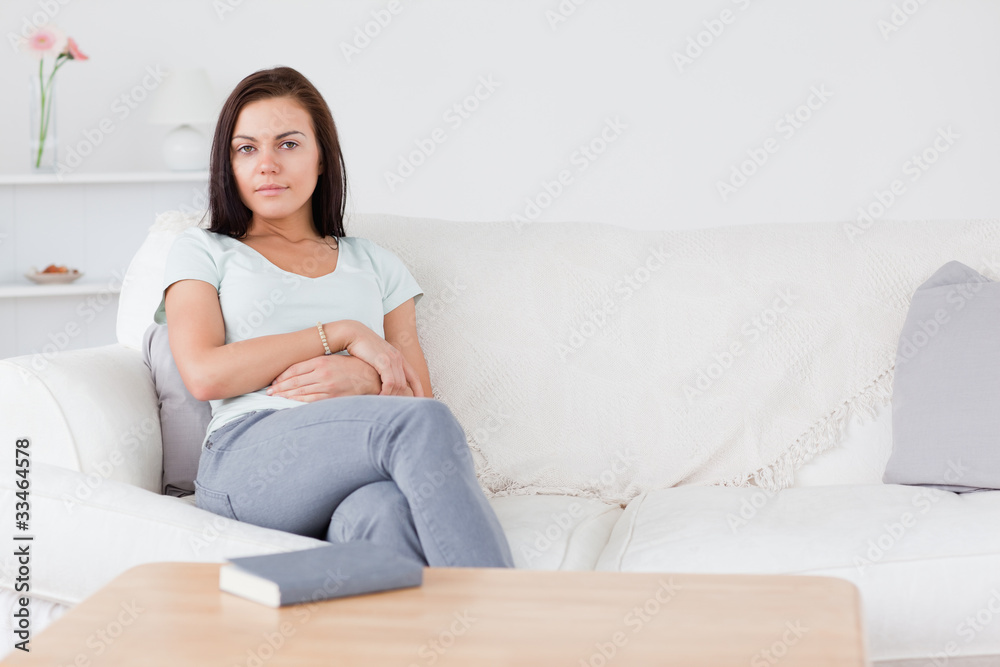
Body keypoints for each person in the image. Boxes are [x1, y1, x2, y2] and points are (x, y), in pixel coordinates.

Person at [153, 66, 514, 568]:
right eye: (246, 148)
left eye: (289, 144)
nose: (267, 165)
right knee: (421, 426)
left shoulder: (376, 263)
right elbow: (205, 373)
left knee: (385, 512)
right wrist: (341, 334)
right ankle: (510, 623)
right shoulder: (203, 249)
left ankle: (417, 644)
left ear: (323, 158)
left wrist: (366, 377)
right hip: (247, 459)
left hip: (350, 470)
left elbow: (416, 397)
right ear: (227, 164)